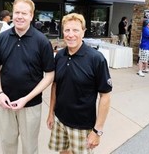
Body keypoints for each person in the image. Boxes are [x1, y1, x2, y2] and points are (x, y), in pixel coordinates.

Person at [0, 0, 55, 154]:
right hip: (5, 103)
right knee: (7, 144)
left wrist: (26, 99)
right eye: (17, 12)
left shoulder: (42, 41)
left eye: (24, 13)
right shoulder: (2, 38)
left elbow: (49, 75)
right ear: (12, 14)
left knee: (30, 147)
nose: (20, 16)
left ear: (31, 15)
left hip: (31, 105)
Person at [47, 13, 112, 154]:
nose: (71, 35)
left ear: (83, 31)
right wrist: (51, 113)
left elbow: (105, 96)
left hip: (82, 126)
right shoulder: (59, 55)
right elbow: (55, 86)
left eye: (75, 30)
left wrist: (97, 131)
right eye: (67, 30)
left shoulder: (96, 59)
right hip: (60, 120)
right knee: (63, 152)